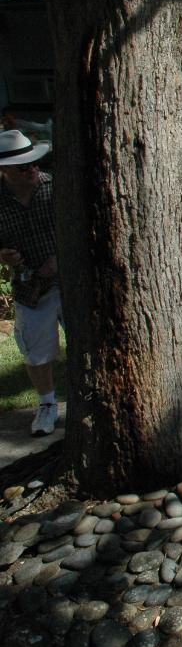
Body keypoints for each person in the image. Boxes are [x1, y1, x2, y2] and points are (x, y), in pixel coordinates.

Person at [0, 130, 62, 436]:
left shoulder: (54, 187)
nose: (33, 169)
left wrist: (60, 257)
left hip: (71, 283)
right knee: (37, 353)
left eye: (34, 163)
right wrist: (3, 256)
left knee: (87, 342)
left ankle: (89, 399)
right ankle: (47, 405)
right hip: (31, 289)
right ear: (5, 171)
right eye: (23, 167)